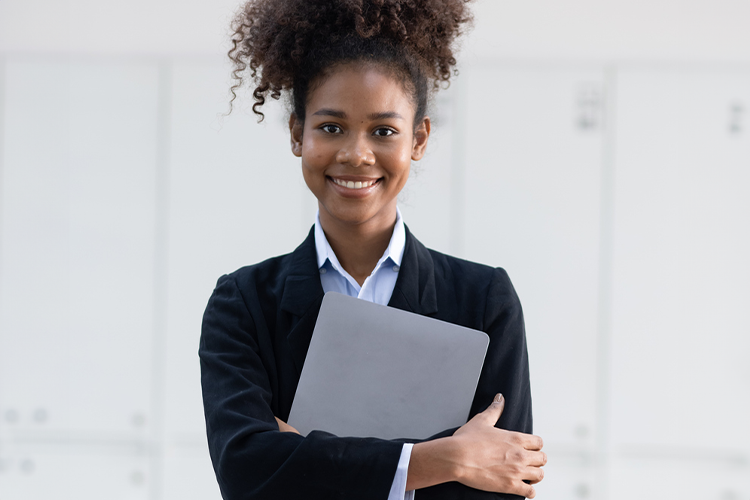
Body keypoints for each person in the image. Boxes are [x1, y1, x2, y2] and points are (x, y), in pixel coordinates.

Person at [199, 0, 547, 499]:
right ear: (297, 133)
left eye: (384, 131)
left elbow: (506, 480)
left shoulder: (483, 300)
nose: (356, 154)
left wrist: (302, 458)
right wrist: (441, 459)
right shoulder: (244, 302)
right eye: (331, 127)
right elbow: (246, 469)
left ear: (419, 139)